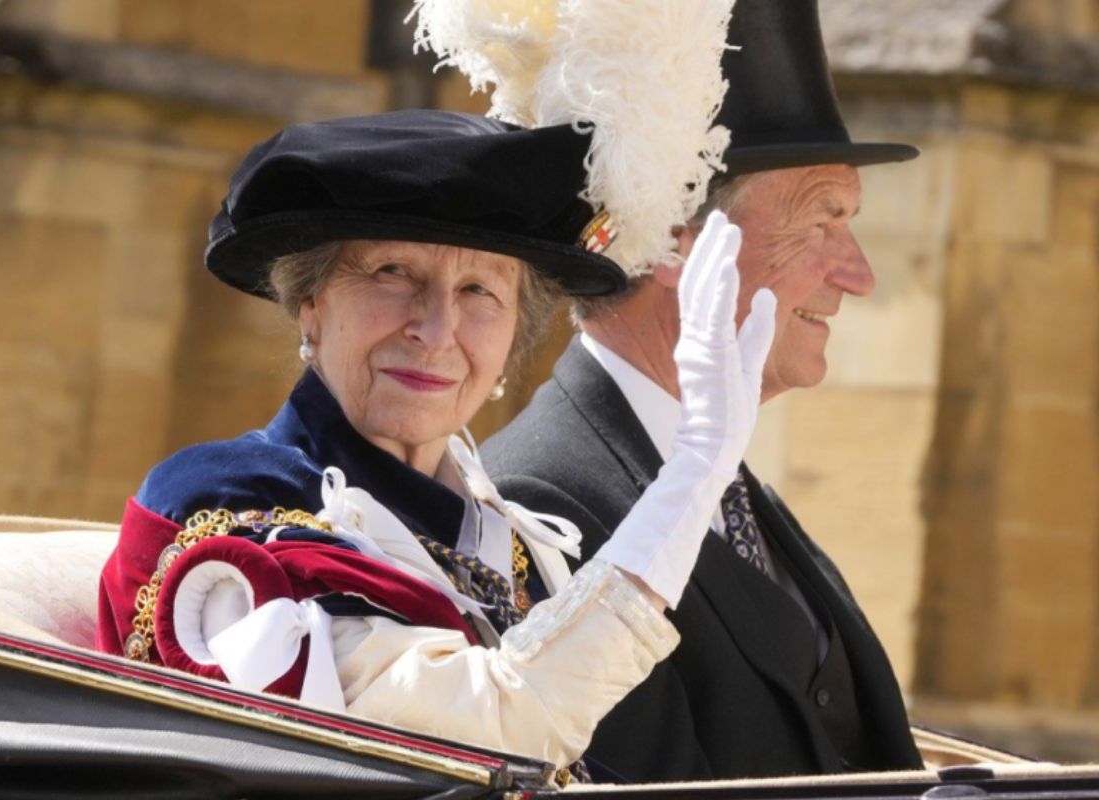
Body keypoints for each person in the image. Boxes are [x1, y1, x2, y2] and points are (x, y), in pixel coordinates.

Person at [95, 108, 777, 776]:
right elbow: (495, 732)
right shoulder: (228, 504)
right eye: (393, 273)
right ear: (311, 302)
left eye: (479, 290)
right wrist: (693, 473)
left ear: (512, 338)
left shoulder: (516, 544)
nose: (436, 328)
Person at [482, 0, 927, 783]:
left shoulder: (738, 493)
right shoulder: (537, 503)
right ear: (673, 244)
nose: (859, 274)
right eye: (821, 223)